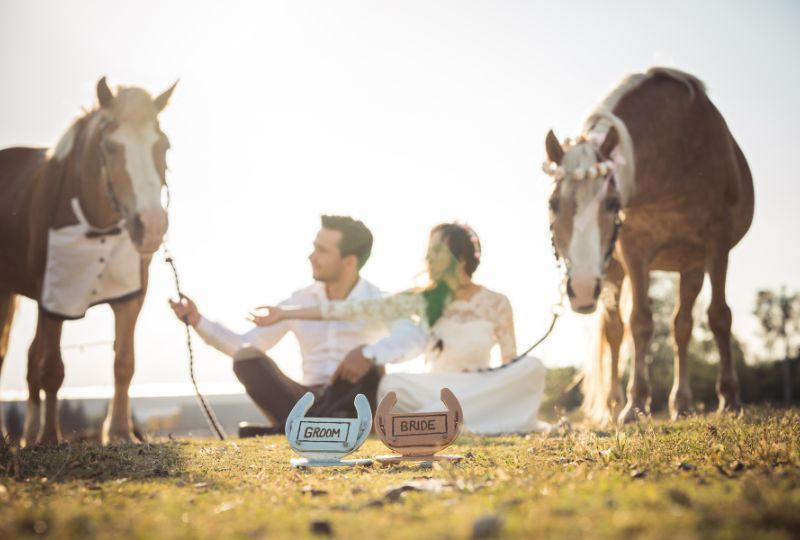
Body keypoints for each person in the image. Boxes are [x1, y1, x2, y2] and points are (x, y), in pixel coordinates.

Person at [252, 223, 549, 434]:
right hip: (437, 389)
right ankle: (446, 419)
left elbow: (511, 363)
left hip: (480, 385)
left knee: (532, 367)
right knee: (391, 386)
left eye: (436, 251)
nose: (427, 258)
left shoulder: (496, 302)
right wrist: (285, 313)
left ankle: (435, 421)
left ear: (460, 258)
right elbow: (349, 308)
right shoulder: (419, 299)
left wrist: (494, 380)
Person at [169, 215, 426, 436]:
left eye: (322, 250)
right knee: (247, 357)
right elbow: (242, 346)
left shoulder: (379, 300)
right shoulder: (299, 301)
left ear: (349, 261)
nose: (311, 256)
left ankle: (296, 428)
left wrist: (368, 353)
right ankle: (317, 426)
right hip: (303, 399)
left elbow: (413, 339)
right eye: (314, 247)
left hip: (356, 399)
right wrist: (197, 321)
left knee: (373, 369)